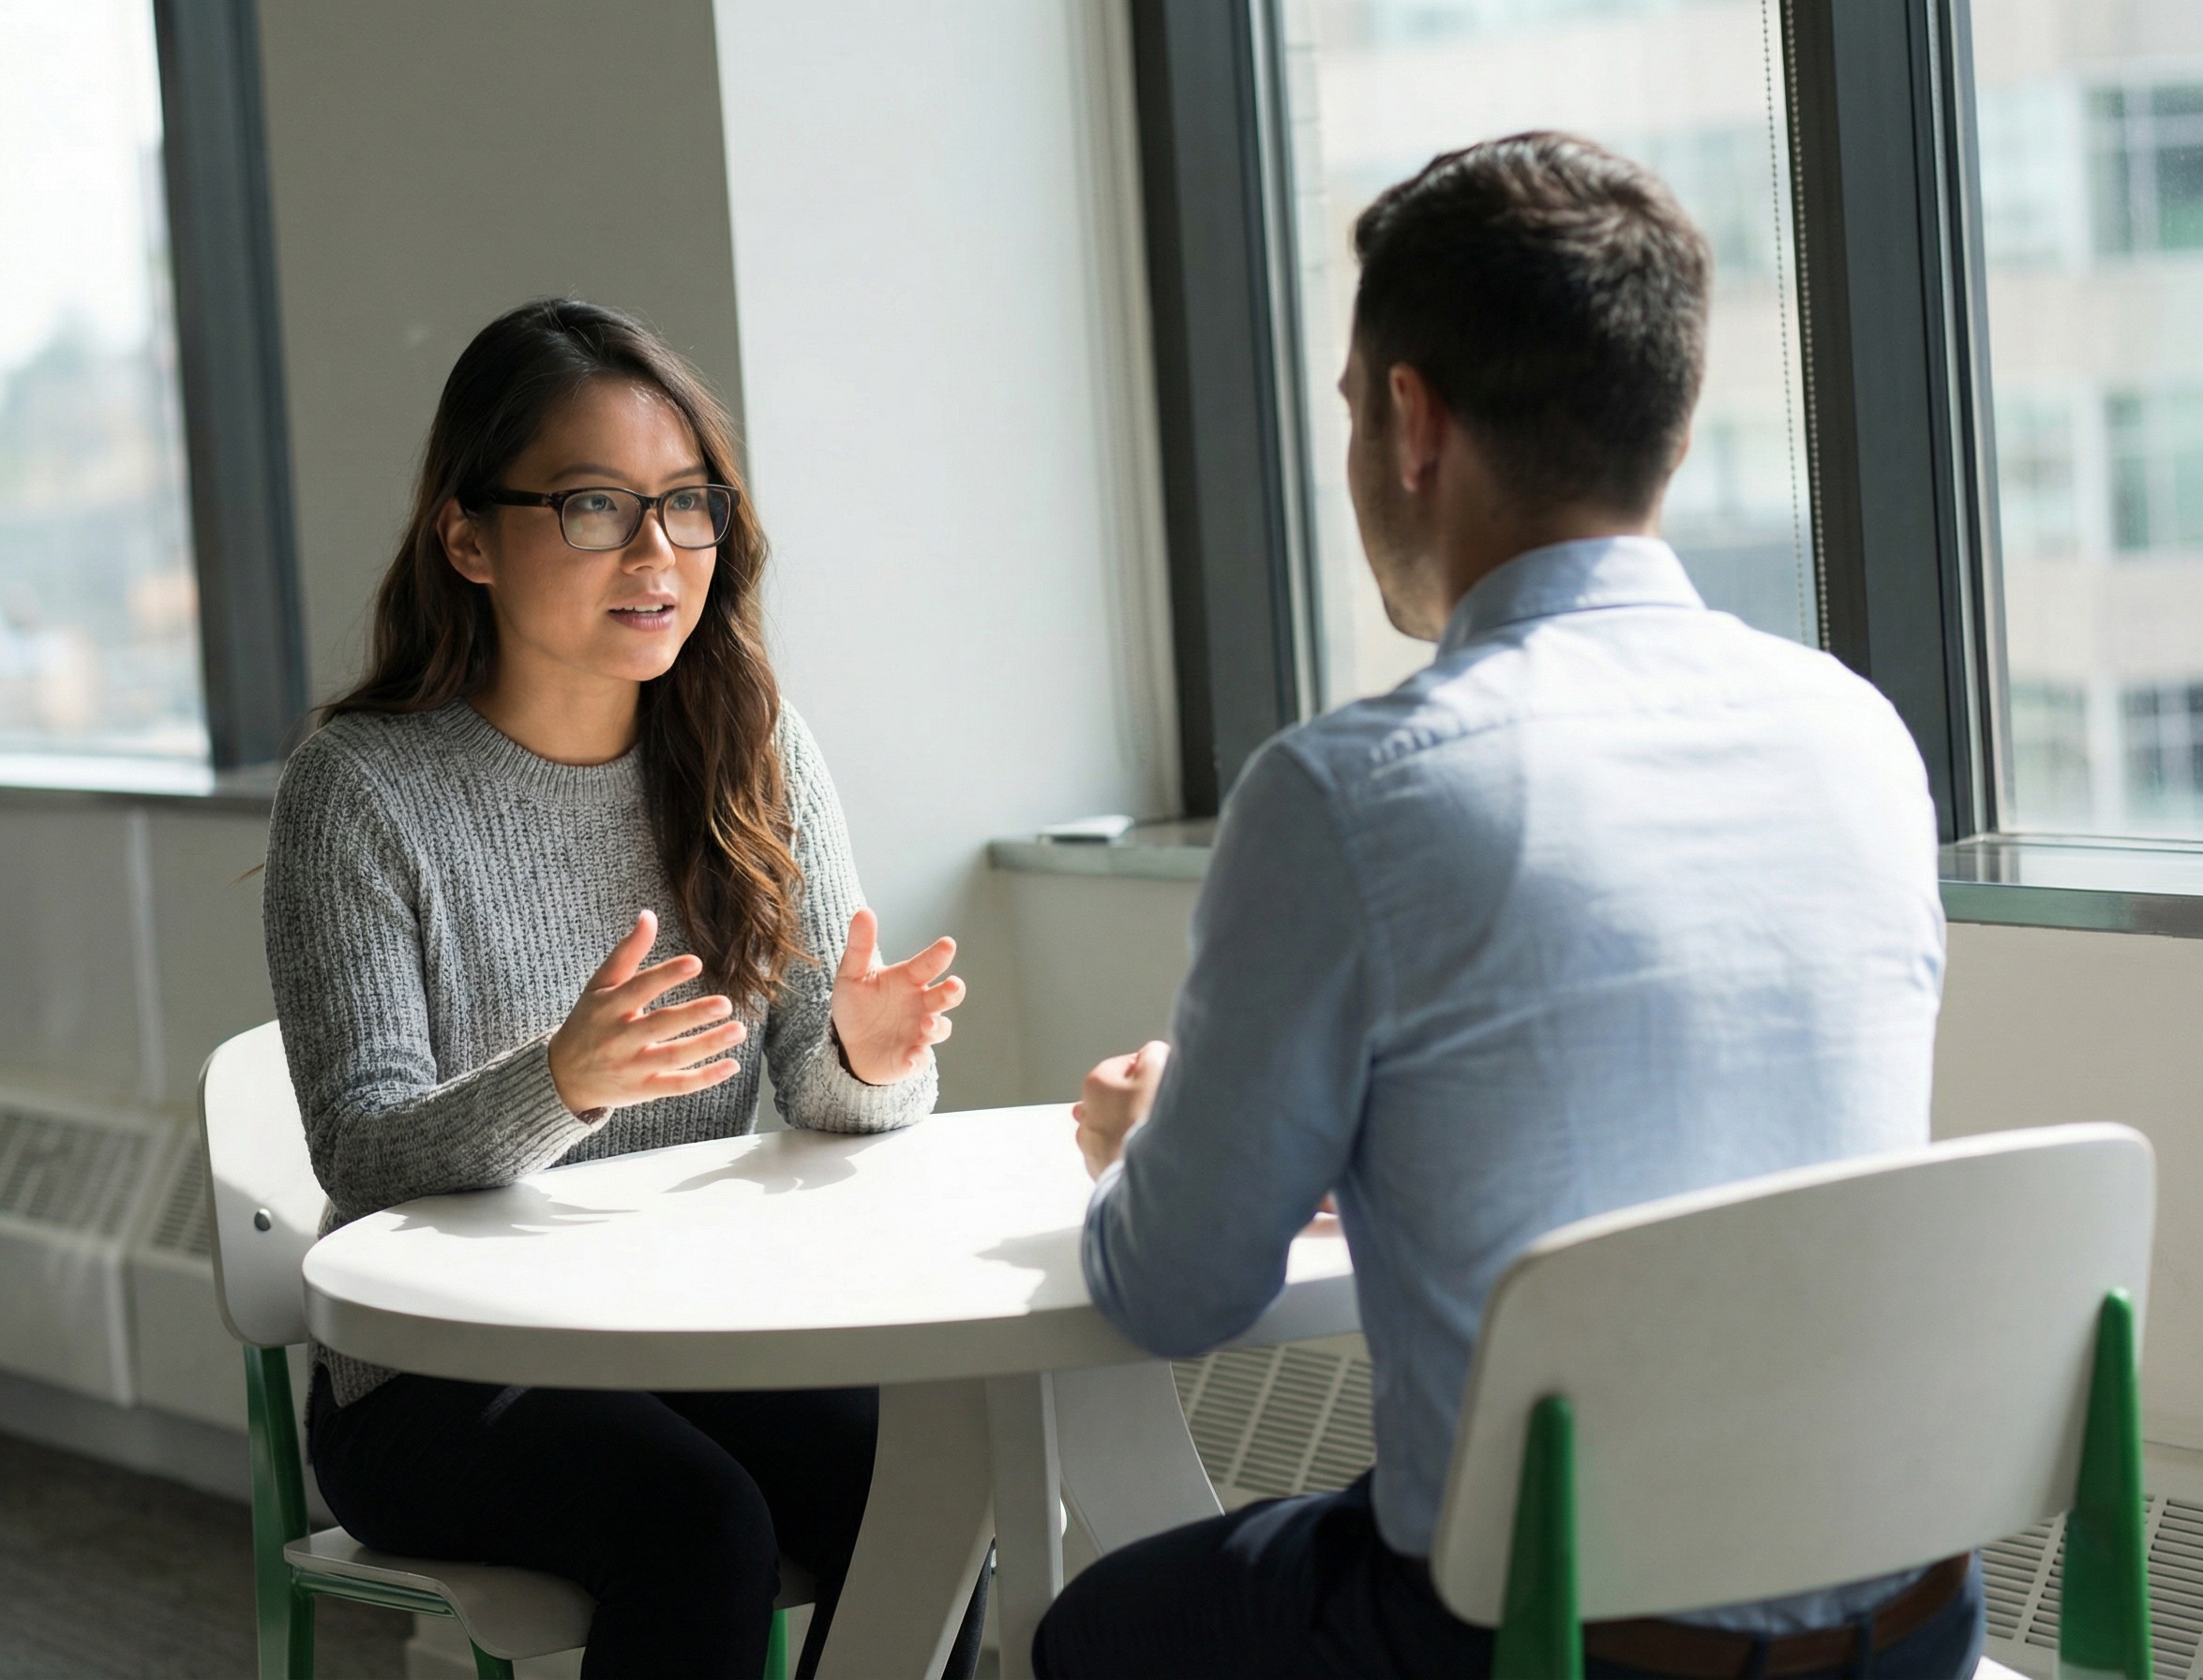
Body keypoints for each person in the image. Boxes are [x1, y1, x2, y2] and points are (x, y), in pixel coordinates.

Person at [1034, 134, 1971, 1680]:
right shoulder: (1861, 739)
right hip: (1906, 1624)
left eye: (1348, 408)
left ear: (1411, 422)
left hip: (1556, 1647)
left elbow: (1177, 1290)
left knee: (1100, 1628)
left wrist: (1156, 1140)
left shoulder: (1352, 794)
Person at [263, 298, 987, 1679]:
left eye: (685, 505)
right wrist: (562, 1085)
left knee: (939, 1473)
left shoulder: (748, 736)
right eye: (595, 507)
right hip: (440, 1376)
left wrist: (862, 1056)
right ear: (467, 538)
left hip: (702, 1328)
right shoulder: (359, 790)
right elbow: (362, 1158)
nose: (658, 554)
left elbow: (823, 1097)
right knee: (697, 1524)